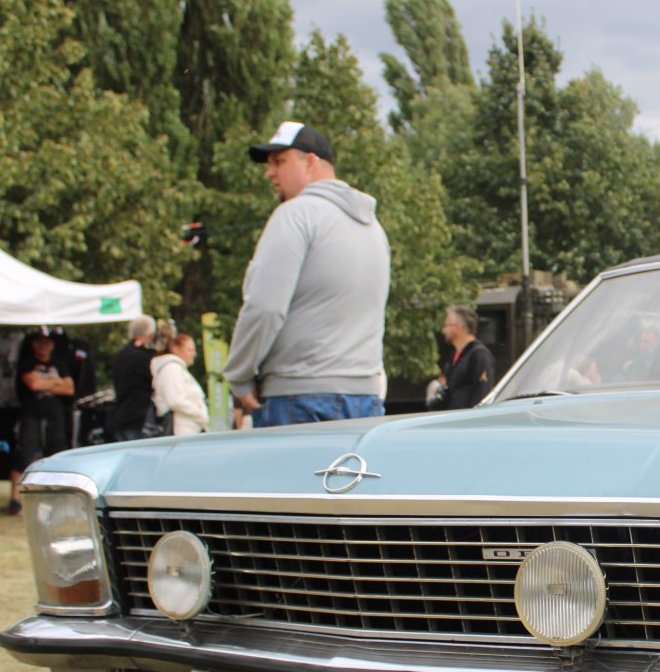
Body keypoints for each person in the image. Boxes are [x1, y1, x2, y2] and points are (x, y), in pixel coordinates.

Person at [224, 121, 391, 427]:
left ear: (311, 161)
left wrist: (239, 376)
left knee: (289, 477)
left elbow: (264, 307)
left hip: (298, 397)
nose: (269, 172)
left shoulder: (295, 214)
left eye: (279, 161)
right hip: (365, 399)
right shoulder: (372, 227)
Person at [9, 331, 74, 514]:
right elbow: (34, 385)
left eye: (47, 343)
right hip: (31, 414)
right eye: (40, 343)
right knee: (24, 454)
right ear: (34, 345)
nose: (43, 346)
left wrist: (45, 381)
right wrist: (55, 382)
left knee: (57, 454)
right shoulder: (27, 363)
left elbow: (69, 388)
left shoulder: (59, 364)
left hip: (54, 415)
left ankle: (59, 498)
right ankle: (15, 499)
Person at [426, 305, 495, 410]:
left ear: (459, 326)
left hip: (468, 422)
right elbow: (451, 392)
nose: (444, 330)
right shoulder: (454, 355)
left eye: (447, 325)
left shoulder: (479, 355)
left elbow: (482, 394)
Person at [108, 315, 157, 442]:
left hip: (120, 416)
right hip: (139, 418)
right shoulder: (144, 357)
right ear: (149, 334)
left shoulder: (120, 355)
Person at [151, 334, 210, 437]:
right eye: (189, 350)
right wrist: (199, 414)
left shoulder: (178, 369)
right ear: (175, 349)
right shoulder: (171, 369)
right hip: (180, 431)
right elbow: (175, 400)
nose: (194, 354)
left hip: (188, 430)